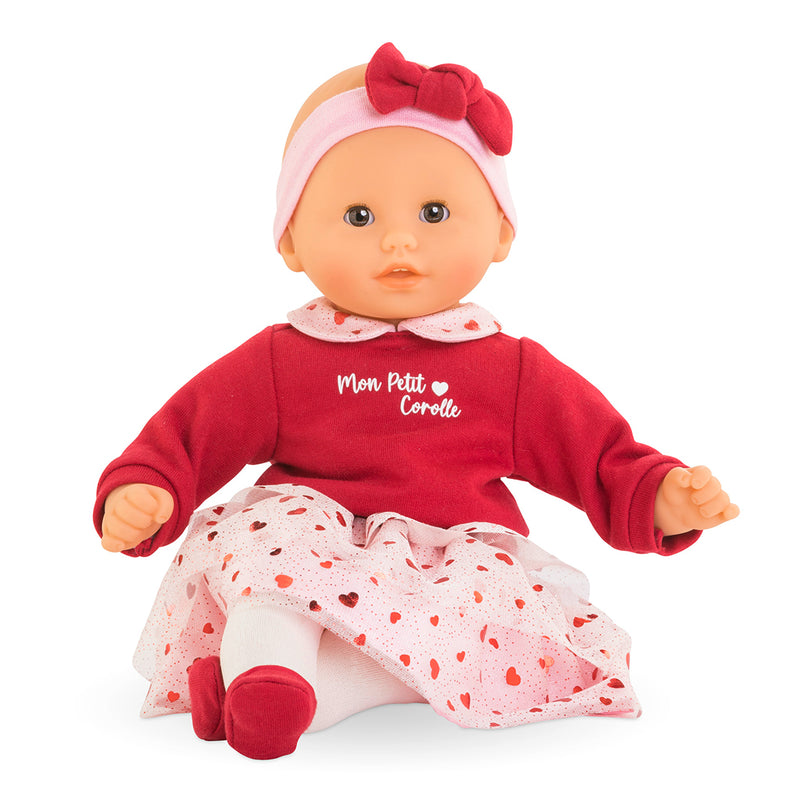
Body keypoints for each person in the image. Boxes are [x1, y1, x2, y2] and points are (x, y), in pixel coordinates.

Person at [95, 43, 738, 760]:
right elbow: (192, 430)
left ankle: (277, 693)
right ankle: (268, 661)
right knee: (272, 575)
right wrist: (148, 486)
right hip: (311, 535)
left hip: (448, 561)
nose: (399, 238)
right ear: (292, 241)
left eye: (434, 211)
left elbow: (595, 452)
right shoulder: (283, 357)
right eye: (358, 216)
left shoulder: (509, 370)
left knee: (475, 634)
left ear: (500, 230)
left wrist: (656, 495)